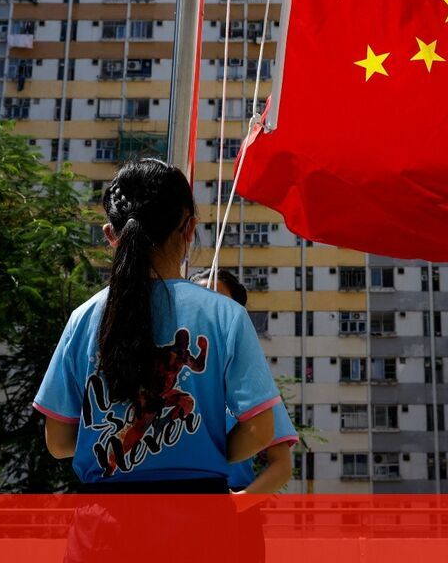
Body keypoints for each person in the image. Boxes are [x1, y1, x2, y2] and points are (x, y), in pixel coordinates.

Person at [33, 158, 281, 493]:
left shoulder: (83, 317)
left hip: (105, 516)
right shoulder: (226, 315)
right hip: (197, 513)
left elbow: (58, 441)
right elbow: (260, 430)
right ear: (189, 229)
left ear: (111, 235)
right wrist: (201, 453)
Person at [189, 268, 297, 495]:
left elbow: (281, 465)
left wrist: (240, 502)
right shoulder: (172, 373)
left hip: (228, 501)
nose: (208, 308)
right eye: (199, 300)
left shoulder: (253, 387)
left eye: (218, 301)